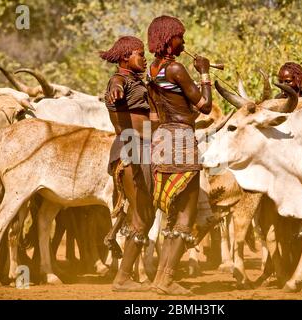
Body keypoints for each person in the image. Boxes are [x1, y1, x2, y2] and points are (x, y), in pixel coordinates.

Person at [146, 15, 212, 295]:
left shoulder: (152, 70)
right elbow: (206, 106)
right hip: (182, 142)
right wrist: (205, 73)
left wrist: (188, 114)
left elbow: (162, 112)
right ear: (167, 38)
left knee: (172, 215)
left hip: (162, 140)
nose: (183, 42)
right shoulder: (175, 68)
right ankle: (168, 278)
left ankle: (160, 279)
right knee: (186, 215)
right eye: (179, 37)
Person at [99, 36, 155, 292]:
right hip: (131, 149)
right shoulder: (119, 80)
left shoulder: (136, 81)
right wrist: (116, 91)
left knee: (147, 215)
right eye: (139, 54)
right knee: (140, 216)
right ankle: (122, 278)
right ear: (124, 58)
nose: (144, 58)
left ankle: (125, 275)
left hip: (145, 148)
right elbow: (115, 87)